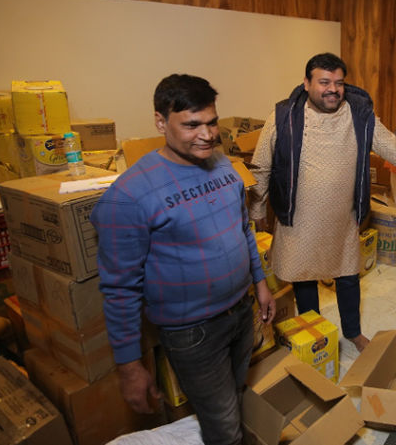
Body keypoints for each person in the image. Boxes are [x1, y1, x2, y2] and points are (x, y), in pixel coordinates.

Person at [91, 74, 274, 445]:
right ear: (161, 122)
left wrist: (260, 283)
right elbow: (120, 290)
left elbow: (243, 229)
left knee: (234, 394)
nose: (206, 135)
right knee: (223, 425)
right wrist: (129, 367)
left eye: (211, 122)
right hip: (193, 332)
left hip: (241, 311)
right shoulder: (128, 196)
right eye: (192, 125)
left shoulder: (223, 165)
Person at [250, 53, 396, 352]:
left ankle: (353, 333)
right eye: (324, 82)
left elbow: (391, 147)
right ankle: (316, 335)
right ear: (306, 83)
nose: (333, 89)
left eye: (339, 83)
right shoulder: (283, 116)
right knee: (304, 278)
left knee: (348, 276)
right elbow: (262, 165)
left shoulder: (359, 114)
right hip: (298, 218)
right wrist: (258, 208)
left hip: (343, 217)